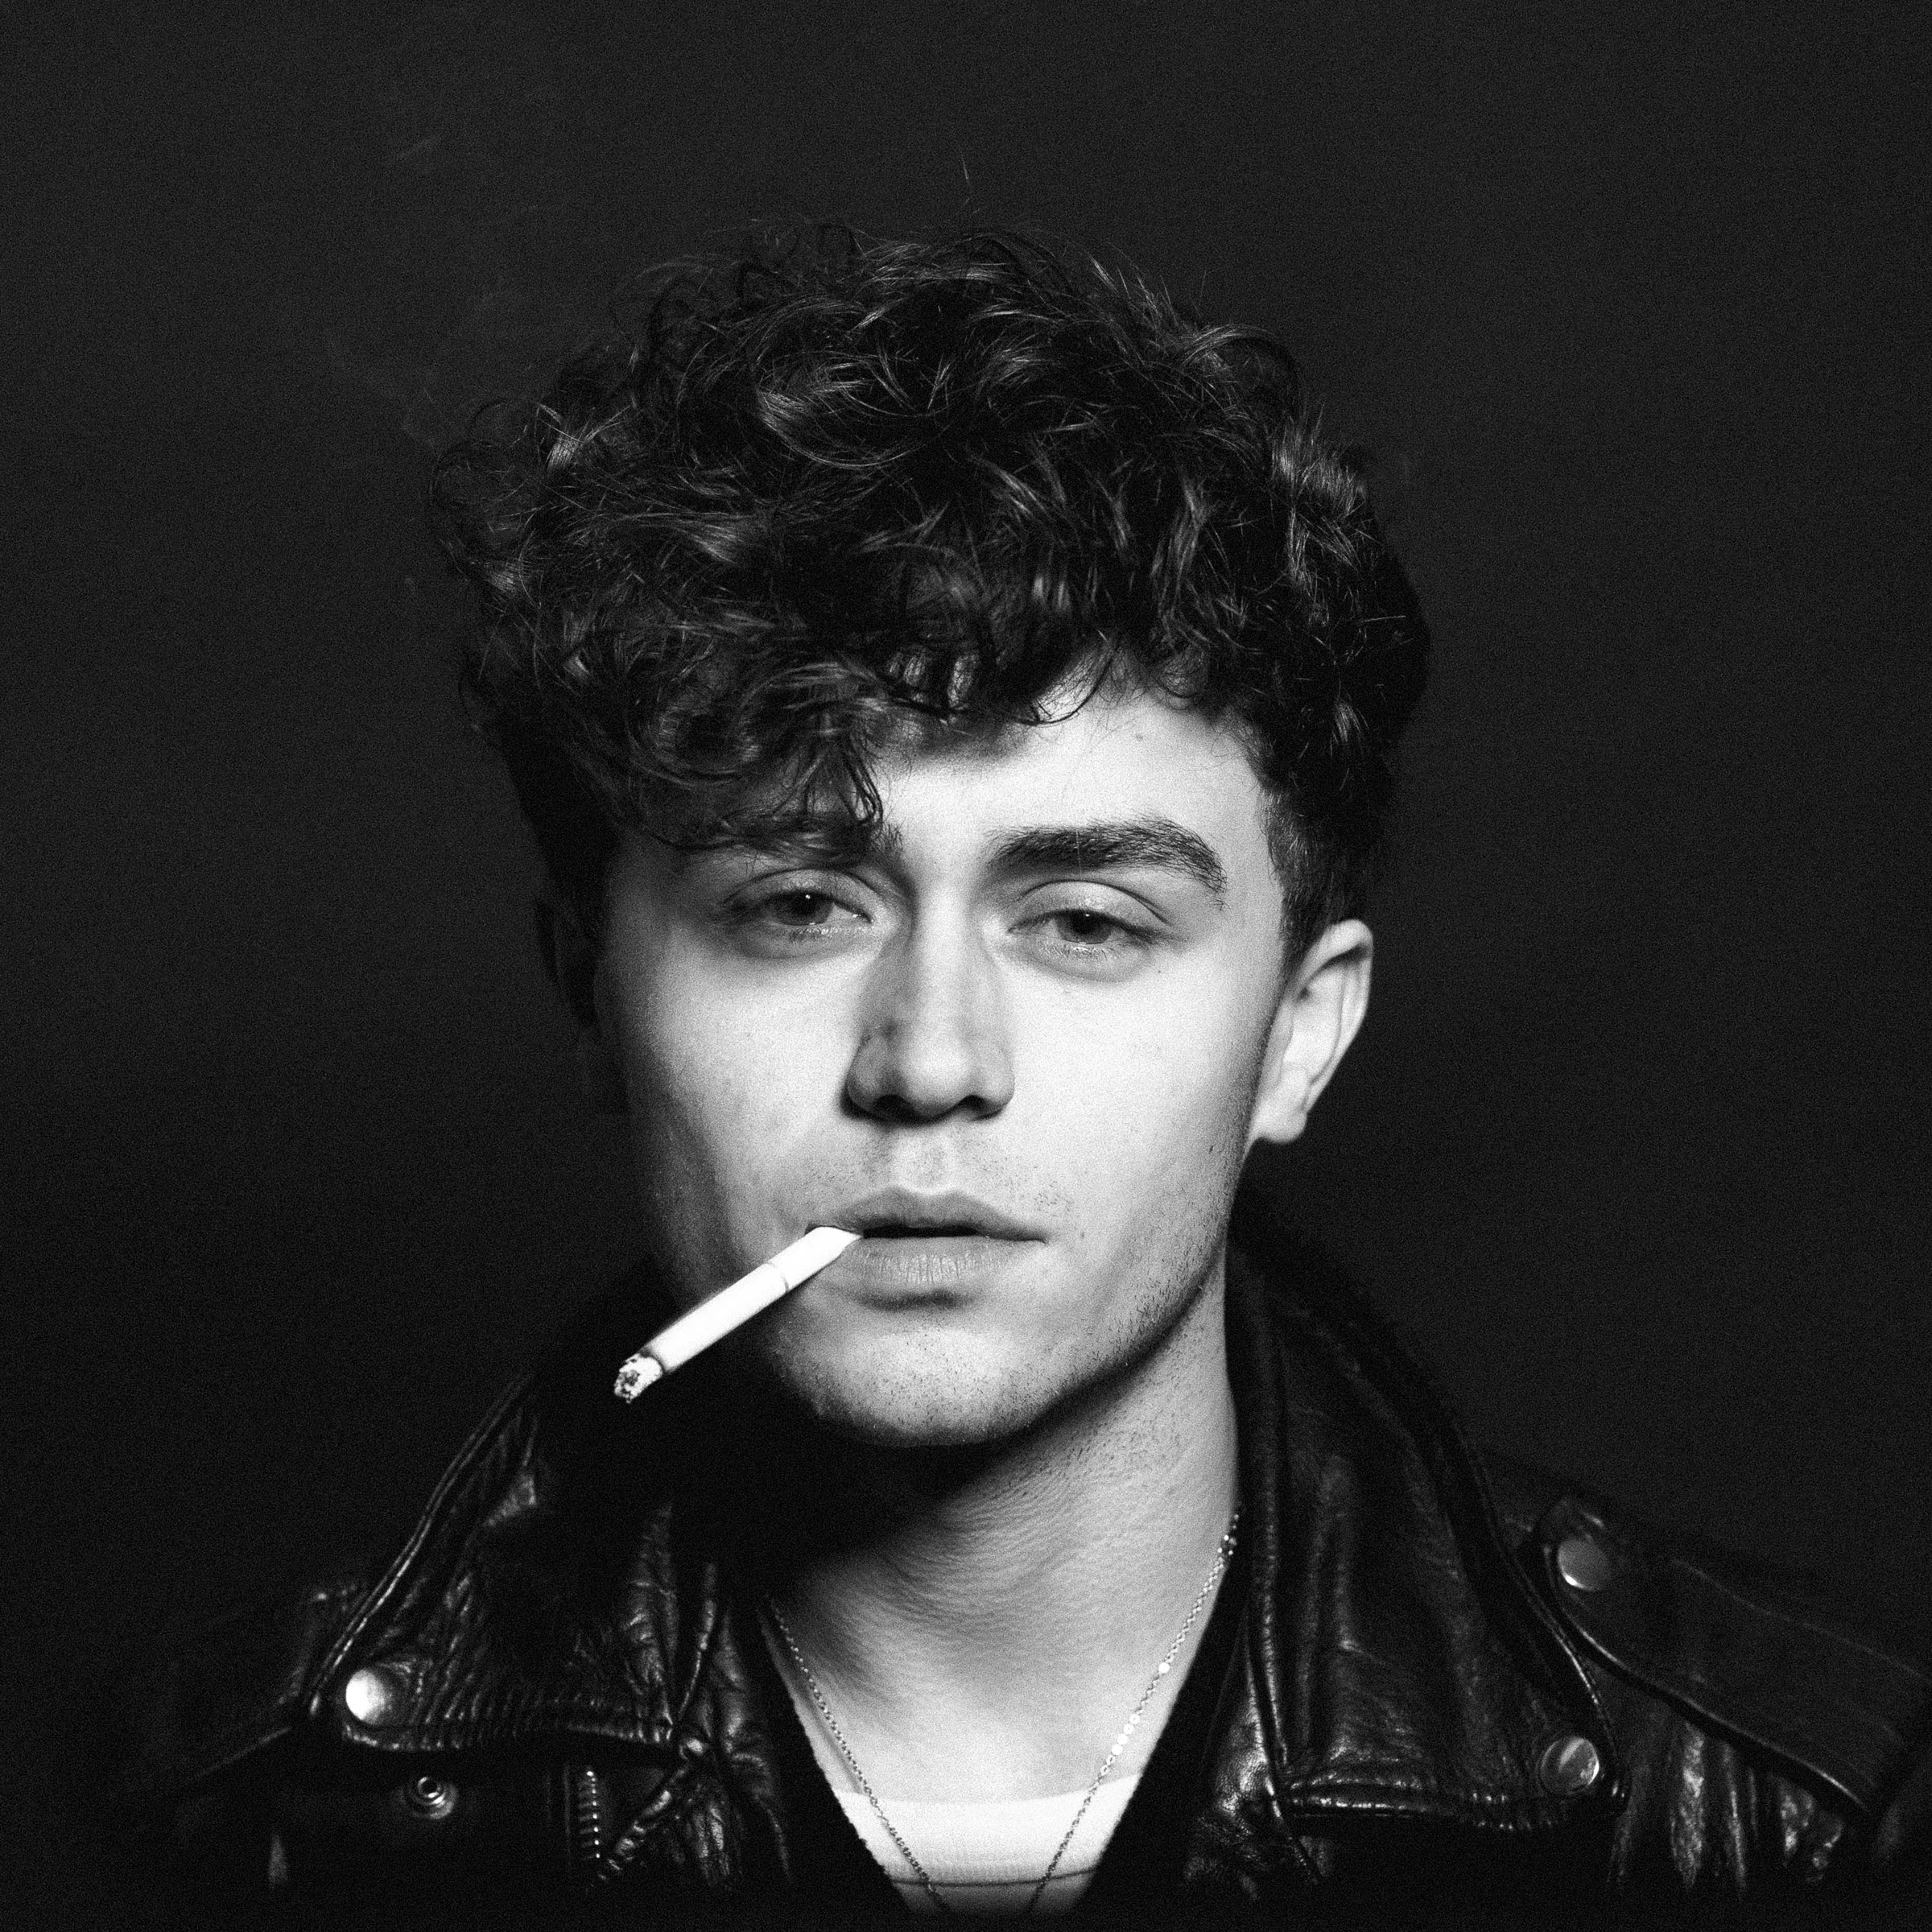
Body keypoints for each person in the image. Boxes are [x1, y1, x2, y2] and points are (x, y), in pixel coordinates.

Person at [127, 229, 1930, 1926]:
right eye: (799, 905)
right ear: (594, 996)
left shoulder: (1783, 1815)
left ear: (1299, 1032)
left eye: (1083, 922)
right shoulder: (244, 1819)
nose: (930, 1062)